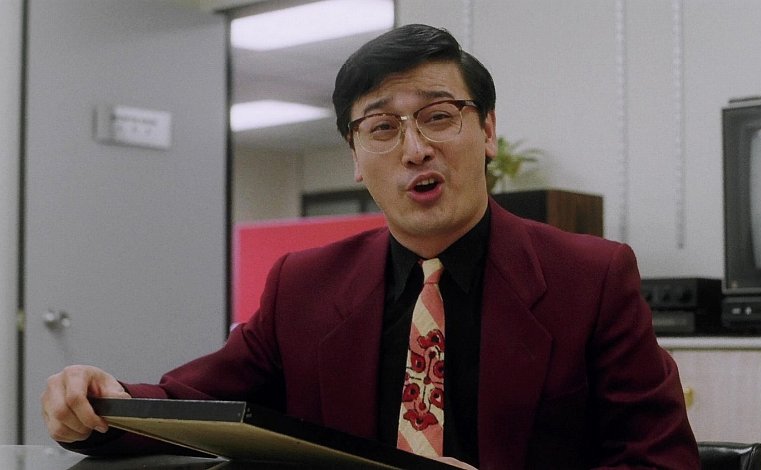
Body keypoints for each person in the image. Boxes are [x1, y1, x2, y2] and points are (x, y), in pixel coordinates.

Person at [42, 24, 699, 469]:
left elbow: (661, 459)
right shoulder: (304, 286)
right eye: (382, 128)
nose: (415, 149)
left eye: (439, 116)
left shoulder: (590, 278)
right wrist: (100, 402)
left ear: (487, 131)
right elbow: (193, 405)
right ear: (355, 156)